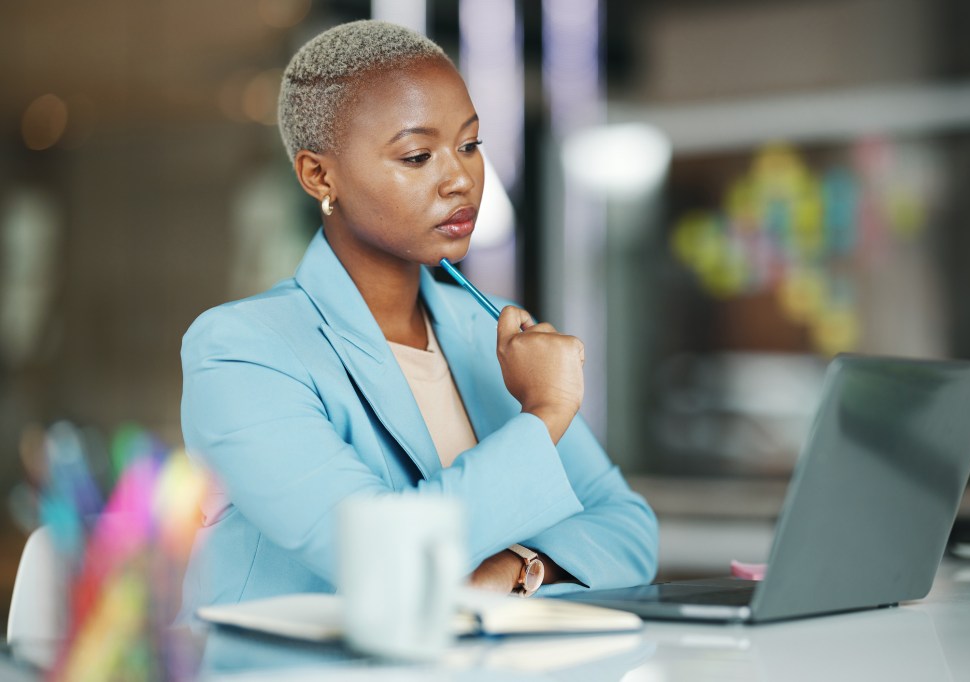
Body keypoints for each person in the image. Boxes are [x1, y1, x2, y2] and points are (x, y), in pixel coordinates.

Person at [178, 20, 657, 617]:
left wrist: (513, 571)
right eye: (417, 155)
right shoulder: (243, 351)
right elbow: (376, 555)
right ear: (318, 176)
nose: (460, 178)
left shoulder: (489, 334)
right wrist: (545, 415)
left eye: (470, 145)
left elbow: (631, 532)